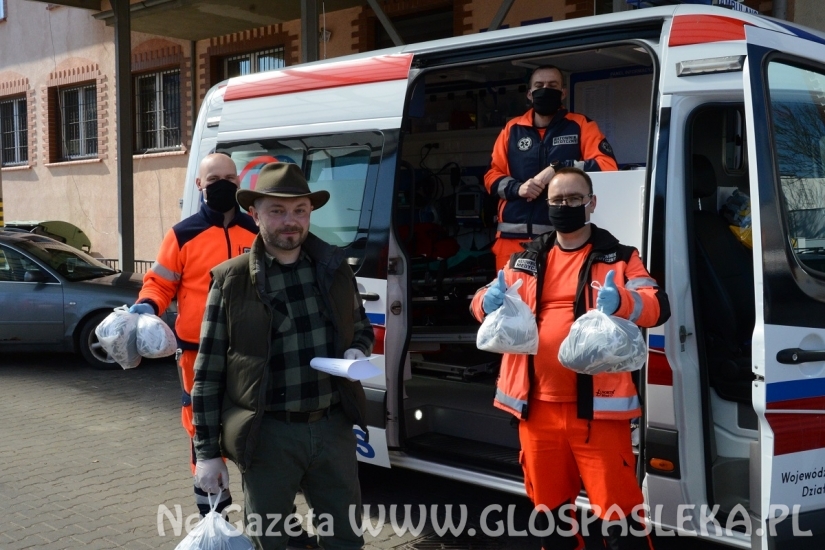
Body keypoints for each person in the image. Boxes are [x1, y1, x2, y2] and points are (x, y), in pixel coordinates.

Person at [471, 167, 670, 550]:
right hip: (537, 412)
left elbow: (658, 306)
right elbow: (482, 303)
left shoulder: (621, 256)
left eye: (574, 199)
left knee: (622, 522)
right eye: (558, 200)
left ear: (591, 203)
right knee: (551, 521)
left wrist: (624, 302)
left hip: (598, 413)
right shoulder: (525, 257)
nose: (566, 206)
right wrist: (485, 302)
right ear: (547, 206)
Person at [191, 162, 374, 550]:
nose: (290, 221)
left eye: (300, 210)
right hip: (269, 434)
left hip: (332, 428)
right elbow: (207, 374)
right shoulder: (231, 281)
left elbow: (360, 327)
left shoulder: (334, 268)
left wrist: (358, 348)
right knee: (271, 541)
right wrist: (207, 453)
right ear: (254, 214)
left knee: (346, 538)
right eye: (277, 211)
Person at [128, 153, 257, 516]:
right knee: (201, 430)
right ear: (199, 185)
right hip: (195, 353)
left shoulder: (256, 231)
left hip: (248, 353)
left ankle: (267, 509)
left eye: (230, 177)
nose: (223, 184)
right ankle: (213, 516)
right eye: (214, 178)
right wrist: (148, 306)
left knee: (254, 425)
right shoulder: (182, 234)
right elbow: (159, 283)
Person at [484, 65, 619, 271]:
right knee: (509, 302)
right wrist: (517, 188)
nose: (545, 89)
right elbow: (491, 176)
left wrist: (558, 169)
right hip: (511, 241)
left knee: (557, 303)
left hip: (562, 239)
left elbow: (608, 167)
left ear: (563, 93)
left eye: (552, 85)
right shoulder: (512, 129)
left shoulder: (581, 125)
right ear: (529, 94)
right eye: (539, 85)